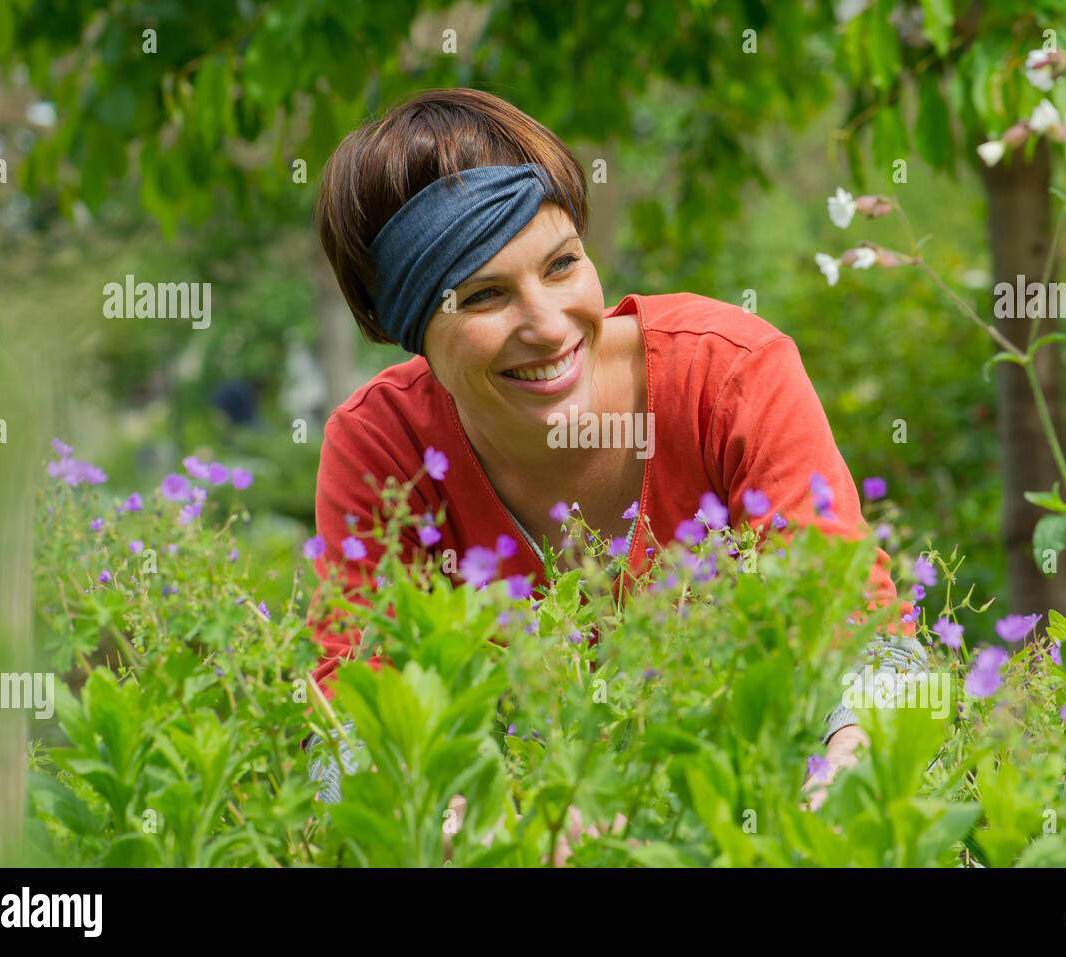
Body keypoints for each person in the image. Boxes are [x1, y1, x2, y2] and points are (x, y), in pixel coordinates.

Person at [304, 88, 926, 833]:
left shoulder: (728, 374)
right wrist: (470, 826)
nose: (547, 324)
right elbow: (345, 721)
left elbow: (866, 635)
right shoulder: (382, 444)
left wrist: (839, 792)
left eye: (563, 264)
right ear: (412, 330)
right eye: (484, 296)